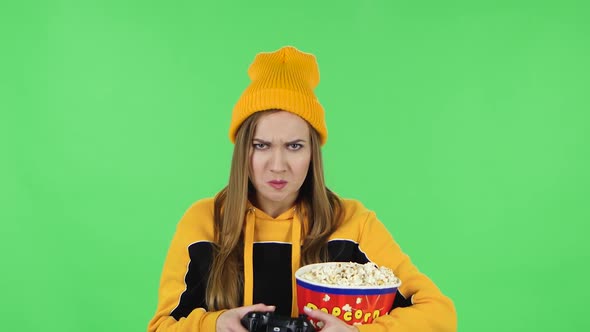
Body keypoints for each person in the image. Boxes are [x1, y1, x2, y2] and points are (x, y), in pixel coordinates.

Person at [147, 46, 457, 332]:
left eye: (294, 146)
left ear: (313, 153)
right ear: (243, 150)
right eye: (262, 145)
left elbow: (439, 313)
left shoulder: (353, 224)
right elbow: (161, 327)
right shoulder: (203, 223)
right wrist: (214, 325)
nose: (278, 165)